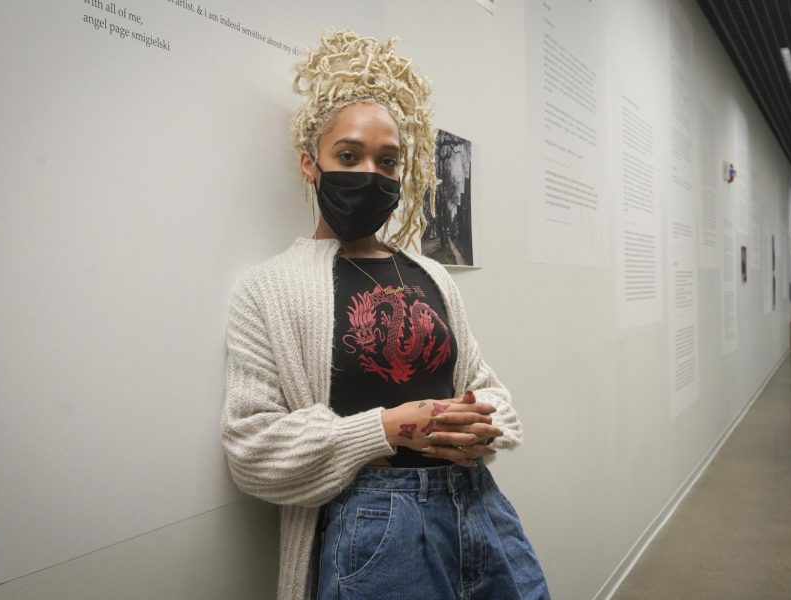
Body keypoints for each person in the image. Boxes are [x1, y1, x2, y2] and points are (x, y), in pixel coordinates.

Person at [221, 28, 550, 600]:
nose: (370, 173)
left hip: (481, 509)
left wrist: (478, 424)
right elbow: (253, 449)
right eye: (348, 155)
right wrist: (389, 427)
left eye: (388, 160)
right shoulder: (268, 289)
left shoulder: (433, 275)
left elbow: (488, 390)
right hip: (376, 529)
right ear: (310, 163)